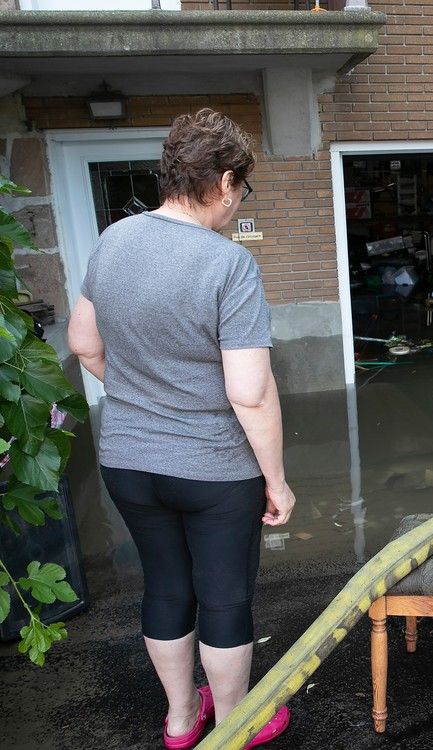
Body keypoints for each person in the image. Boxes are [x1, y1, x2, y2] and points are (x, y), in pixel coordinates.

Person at [68, 108, 297, 750]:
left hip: (129, 463)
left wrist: (141, 398)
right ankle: (230, 723)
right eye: (240, 189)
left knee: (166, 585)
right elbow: (249, 392)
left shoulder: (113, 240)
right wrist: (276, 480)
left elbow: (83, 342)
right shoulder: (227, 266)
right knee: (223, 597)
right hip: (215, 470)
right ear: (224, 182)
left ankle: (177, 721)